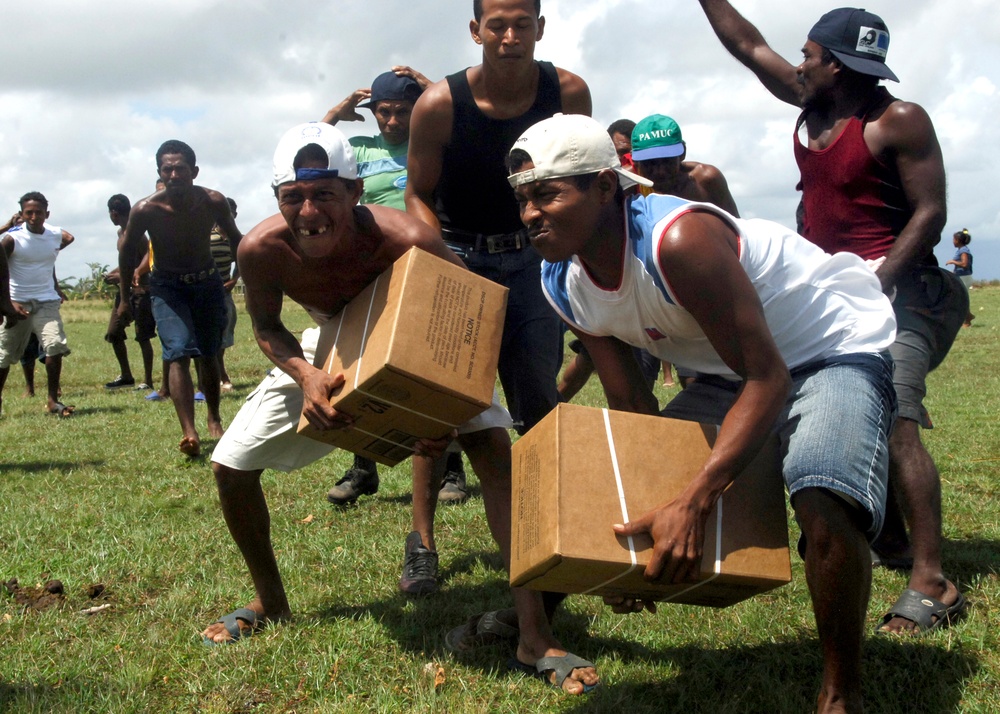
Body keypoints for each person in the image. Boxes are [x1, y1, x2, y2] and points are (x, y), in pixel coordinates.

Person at [508, 112, 901, 712]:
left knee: (820, 489)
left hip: (827, 347)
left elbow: (767, 379)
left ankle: (840, 691)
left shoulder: (677, 240)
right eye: (523, 199)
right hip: (730, 370)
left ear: (607, 187)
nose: (531, 214)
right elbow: (632, 405)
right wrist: (624, 561)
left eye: (548, 194)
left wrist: (695, 499)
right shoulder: (561, 279)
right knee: (644, 487)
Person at [203, 122, 597, 696]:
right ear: (277, 199)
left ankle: (534, 636)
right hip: (325, 344)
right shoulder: (261, 249)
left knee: (491, 450)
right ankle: (271, 601)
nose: (309, 211)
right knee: (229, 467)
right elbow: (267, 328)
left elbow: (470, 317)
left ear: (355, 194)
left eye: (325, 196)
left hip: (423, 333)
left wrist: (439, 412)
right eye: (294, 198)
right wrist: (309, 377)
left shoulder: (406, 236)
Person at [697, 1, 968, 637]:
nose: (799, 65)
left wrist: (878, 280)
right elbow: (746, 44)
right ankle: (891, 541)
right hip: (833, 293)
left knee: (895, 413)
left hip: (907, 290)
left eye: (810, 57)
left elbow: (930, 212)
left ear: (838, 67)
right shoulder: (811, 102)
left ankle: (932, 580)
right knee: (819, 409)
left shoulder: (896, 120)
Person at [405, 0, 591, 596]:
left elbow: (584, 178)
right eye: (497, 25)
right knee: (440, 404)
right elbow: (416, 195)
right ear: (475, 30)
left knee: (537, 400)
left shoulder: (567, 91)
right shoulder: (439, 105)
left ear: (540, 27)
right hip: (459, 257)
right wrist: (445, 262)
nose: (509, 37)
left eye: (521, 25)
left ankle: (545, 535)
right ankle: (422, 541)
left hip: (537, 261)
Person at [320, 67, 469, 505]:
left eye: (401, 111)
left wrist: (435, 92)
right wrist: (334, 113)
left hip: (424, 262)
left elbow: (474, 138)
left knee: (435, 366)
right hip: (367, 269)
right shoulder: (358, 148)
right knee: (357, 366)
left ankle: (451, 472)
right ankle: (363, 467)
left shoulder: (432, 143)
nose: (390, 120)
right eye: (382, 112)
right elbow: (308, 152)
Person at [118, 141, 241, 457]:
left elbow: (238, 240)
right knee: (177, 352)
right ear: (159, 173)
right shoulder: (146, 210)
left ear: (194, 172)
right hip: (167, 288)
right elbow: (128, 252)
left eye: (180, 169)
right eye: (167, 169)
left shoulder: (211, 201)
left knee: (208, 354)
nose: (173, 175)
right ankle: (190, 432)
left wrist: (246, 274)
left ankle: (214, 417)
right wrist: (123, 298)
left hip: (206, 283)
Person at [0, 193, 75, 418]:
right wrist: (6, 303)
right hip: (18, 304)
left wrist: (54, 277)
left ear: (46, 214)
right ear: (21, 215)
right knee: (4, 355)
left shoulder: (53, 235)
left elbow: (68, 238)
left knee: (54, 345)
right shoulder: (12, 239)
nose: (34, 217)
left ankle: (53, 400)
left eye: (38, 212)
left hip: (46, 301)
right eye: (28, 213)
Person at [104, 194, 155, 391]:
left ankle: (148, 380)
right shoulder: (120, 234)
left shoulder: (138, 235)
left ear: (114, 213)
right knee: (114, 332)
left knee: (143, 336)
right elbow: (127, 263)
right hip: (124, 292)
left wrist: (131, 275)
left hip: (142, 291)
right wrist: (116, 273)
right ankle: (126, 375)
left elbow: (149, 260)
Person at [208, 196, 241, 391]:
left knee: (226, 331)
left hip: (225, 292)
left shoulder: (236, 238)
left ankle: (219, 372)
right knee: (213, 334)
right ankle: (221, 375)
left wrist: (234, 279)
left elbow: (241, 261)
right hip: (208, 290)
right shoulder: (207, 236)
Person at [946, 229, 974, 326]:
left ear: (958, 240)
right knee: (961, 298)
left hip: (964, 278)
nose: (953, 241)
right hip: (963, 276)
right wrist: (954, 272)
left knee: (960, 299)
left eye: (954, 239)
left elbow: (964, 264)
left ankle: (967, 320)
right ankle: (968, 316)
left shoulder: (963, 250)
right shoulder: (962, 250)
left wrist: (952, 262)